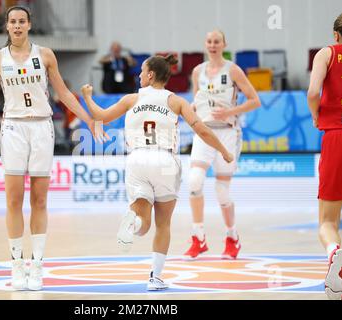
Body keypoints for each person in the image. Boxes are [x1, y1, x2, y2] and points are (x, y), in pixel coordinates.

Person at [0, 5, 106, 292]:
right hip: (12, 127)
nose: (17, 26)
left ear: (29, 24)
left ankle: (36, 266)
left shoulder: (46, 55)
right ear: (7, 26)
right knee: (13, 200)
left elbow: (62, 93)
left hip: (41, 127)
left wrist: (89, 119)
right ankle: (17, 266)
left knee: (39, 200)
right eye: (12, 22)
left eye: (21, 21)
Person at [81, 54, 233, 291]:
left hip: (137, 159)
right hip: (165, 161)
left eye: (142, 71)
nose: (139, 75)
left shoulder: (131, 99)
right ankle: (155, 278)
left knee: (144, 223)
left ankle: (133, 222)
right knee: (163, 225)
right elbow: (202, 130)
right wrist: (223, 150)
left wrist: (88, 97)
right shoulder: (176, 101)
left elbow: (100, 115)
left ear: (151, 75)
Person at [183, 30, 261, 260]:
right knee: (194, 181)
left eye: (217, 41)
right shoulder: (198, 71)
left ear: (224, 44)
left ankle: (232, 237)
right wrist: (191, 109)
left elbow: (254, 100)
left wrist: (229, 111)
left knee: (221, 191)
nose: (213, 44)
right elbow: (196, 99)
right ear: (205, 44)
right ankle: (198, 238)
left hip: (227, 133)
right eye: (209, 41)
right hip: (204, 133)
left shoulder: (233, 70)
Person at [307, 13, 342, 300]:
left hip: (336, 136)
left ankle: (335, 253)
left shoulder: (327, 54)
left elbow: (312, 91)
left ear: (335, 35)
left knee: (327, 221)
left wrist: (316, 115)